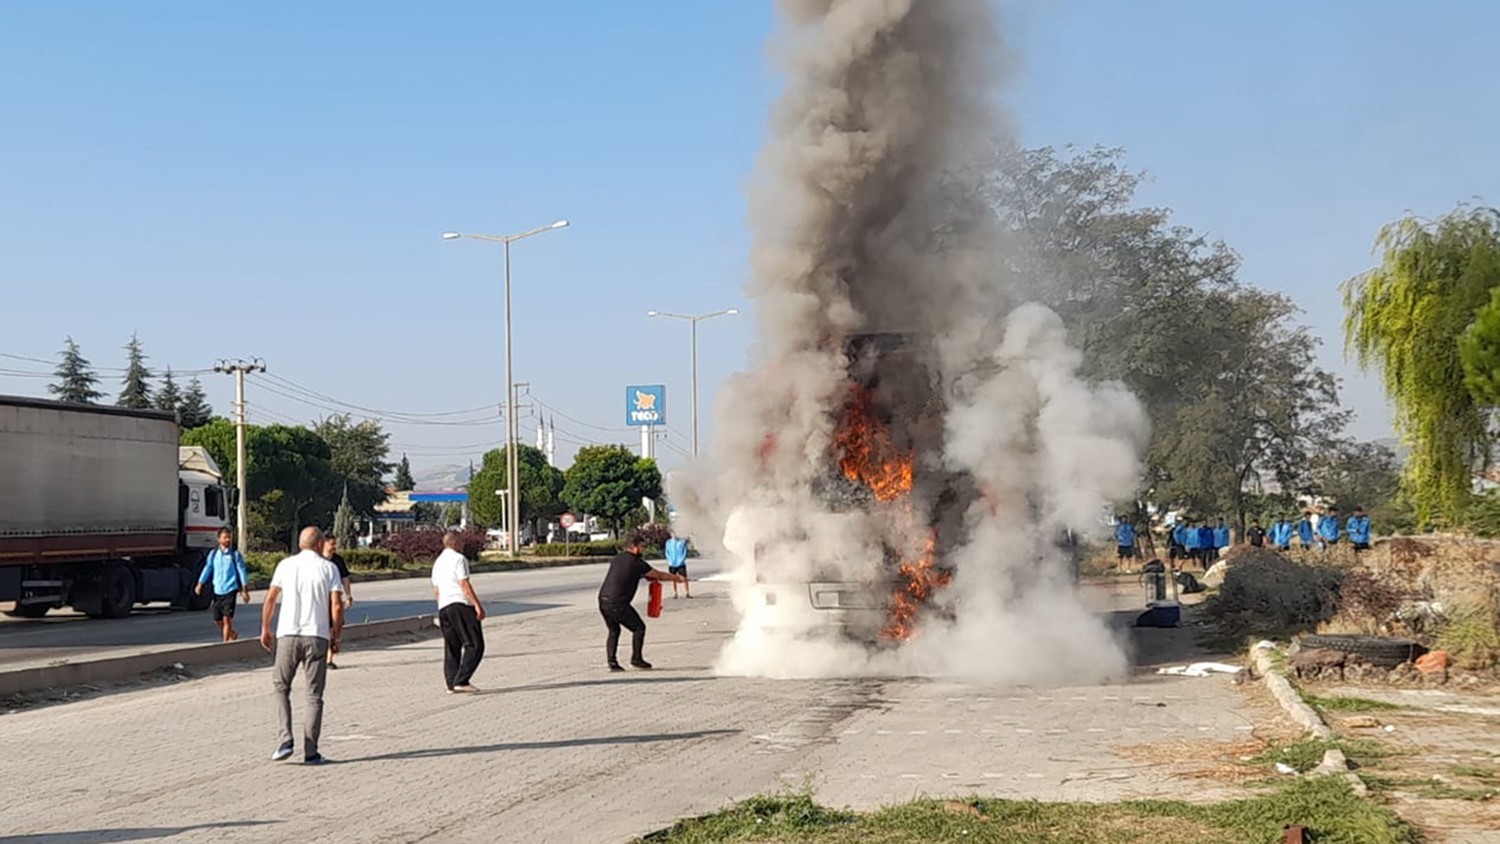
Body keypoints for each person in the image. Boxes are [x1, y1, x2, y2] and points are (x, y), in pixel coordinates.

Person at [260, 526, 344, 765]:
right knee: (314, 695)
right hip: (317, 637)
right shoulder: (329, 568)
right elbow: (337, 606)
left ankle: (285, 739)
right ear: (319, 545)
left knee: (280, 686)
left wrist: (265, 628)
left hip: (287, 635)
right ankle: (311, 751)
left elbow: (271, 597)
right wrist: (335, 635)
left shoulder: (285, 566)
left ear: (300, 544)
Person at [597, 532, 686, 671]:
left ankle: (612, 662)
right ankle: (636, 659)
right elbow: (659, 575)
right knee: (639, 628)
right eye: (642, 546)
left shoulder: (618, 558)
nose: (643, 549)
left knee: (614, 630)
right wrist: (677, 579)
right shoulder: (636, 563)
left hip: (603, 600)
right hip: (618, 603)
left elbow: (626, 574)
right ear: (633, 546)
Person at [432, 530, 486, 693]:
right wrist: (477, 605)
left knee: (452, 646)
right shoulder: (459, 559)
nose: (463, 545)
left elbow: (436, 589)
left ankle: (451, 683)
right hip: (460, 604)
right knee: (475, 644)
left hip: (444, 607)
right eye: (461, 542)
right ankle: (462, 680)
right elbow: (464, 584)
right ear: (455, 544)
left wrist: (441, 606)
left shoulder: (438, 563)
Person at [195, 527, 250, 642]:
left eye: (229, 537)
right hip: (217, 590)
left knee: (227, 619)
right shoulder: (213, 554)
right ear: (219, 539)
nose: (228, 540)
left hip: (231, 590)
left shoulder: (235, 555)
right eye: (225, 537)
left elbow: (241, 571)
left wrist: (244, 590)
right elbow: (208, 569)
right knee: (217, 620)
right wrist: (200, 584)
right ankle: (232, 633)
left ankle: (225, 644)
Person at [320, 536, 353, 669]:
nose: (334, 547)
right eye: (332, 544)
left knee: (334, 627)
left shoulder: (338, 560)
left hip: (334, 598)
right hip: (319, 598)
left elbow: (345, 579)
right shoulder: (318, 560)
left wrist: (349, 595)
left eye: (335, 544)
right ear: (324, 544)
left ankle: (329, 659)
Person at [664, 533, 692, 598]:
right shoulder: (668, 542)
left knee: (684, 578)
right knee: (673, 579)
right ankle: (675, 593)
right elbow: (667, 552)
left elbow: (685, 551)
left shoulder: (681, 542)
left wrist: (682, 560)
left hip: (681, 563)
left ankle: (687, 593)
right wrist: (669, 559)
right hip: (672, 564)